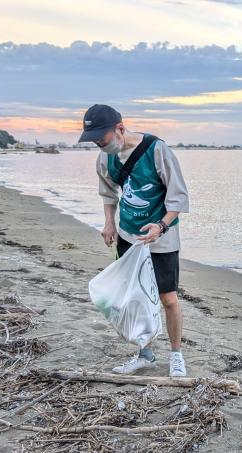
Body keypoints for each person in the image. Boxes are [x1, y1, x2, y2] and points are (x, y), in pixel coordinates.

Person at [79, 104, 190, 377]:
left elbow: (179, 197)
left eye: (102, 140)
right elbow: (108, 194)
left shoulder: (156, 150)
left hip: (161, 238)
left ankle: (176, 355)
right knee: (136, 297)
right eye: (94, 143)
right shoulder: (105, 158)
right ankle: (145, 354)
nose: (100, 146)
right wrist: (109, 223)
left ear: (119, 129)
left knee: (168, 298)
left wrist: (162, 226)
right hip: (128, 236)